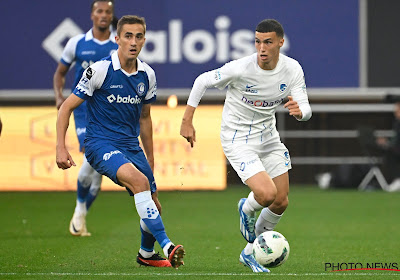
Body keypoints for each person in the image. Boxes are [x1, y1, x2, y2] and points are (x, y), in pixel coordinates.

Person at [180, 19, 311, 273]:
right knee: (265, 194)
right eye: (258, 42)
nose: (262, 48)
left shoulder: (292, 69)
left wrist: (300, 112)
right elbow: (201, 81)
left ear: (280, 43)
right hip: (237, 139)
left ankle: (250, 252)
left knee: (281, 201)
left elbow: (305, 106)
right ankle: (246, 207)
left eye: (268, 42)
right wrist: (187, 120)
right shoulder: (241, 68)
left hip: (268, 138)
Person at [56, 15, 185, 268]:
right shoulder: (99, 70)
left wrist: (150, 156)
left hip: (130, 145)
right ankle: (168, 245)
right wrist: (61, 147)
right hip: (99, 144)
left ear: (144, 40)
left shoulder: (147, 74)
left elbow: (145, 118)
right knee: (139, 183)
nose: (133, 42)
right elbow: (66, 108)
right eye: (128, 36)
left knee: (155, 205)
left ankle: (146, 254)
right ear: (117, 39)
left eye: (138, 36)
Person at [53, 0, 118, 237]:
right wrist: (60, 96)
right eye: (99, 11)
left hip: (110, 113)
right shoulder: (77, 43)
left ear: (111, 16)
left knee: (98, 176)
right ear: (92, 14)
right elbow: (60, 73)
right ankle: (79, 210)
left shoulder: (118, 44)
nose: (103, 15)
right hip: (83, 110)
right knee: (91, 158)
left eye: (107, 12)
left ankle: (81, 215)